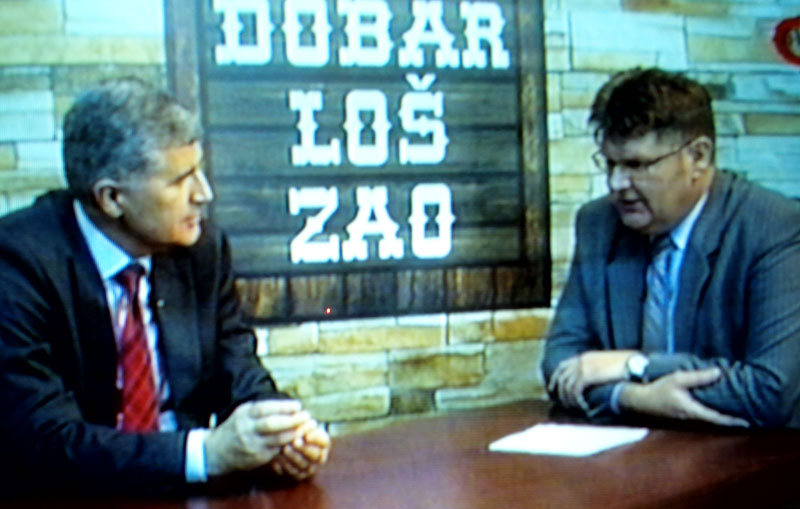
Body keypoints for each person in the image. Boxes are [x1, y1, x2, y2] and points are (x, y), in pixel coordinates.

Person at [0, 78, 330, 495]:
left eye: (199, 171)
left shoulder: (200, 249)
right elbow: (45, 439)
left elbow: (238, 371)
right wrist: (206, 453)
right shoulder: (17, 263)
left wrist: (280, 433)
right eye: (180, 180)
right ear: (112, 198)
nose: (204, 194)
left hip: (188, 490)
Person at [541, 67, 800, 428]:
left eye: (637, 165)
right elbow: (561, 363)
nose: (617, 183)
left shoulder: (773, 226)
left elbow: (771, 390)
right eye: (610, 163)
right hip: (635, 452)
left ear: (698, 157)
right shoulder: (598, 223)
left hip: (747, 454)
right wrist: (633, 398)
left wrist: (636, 365)